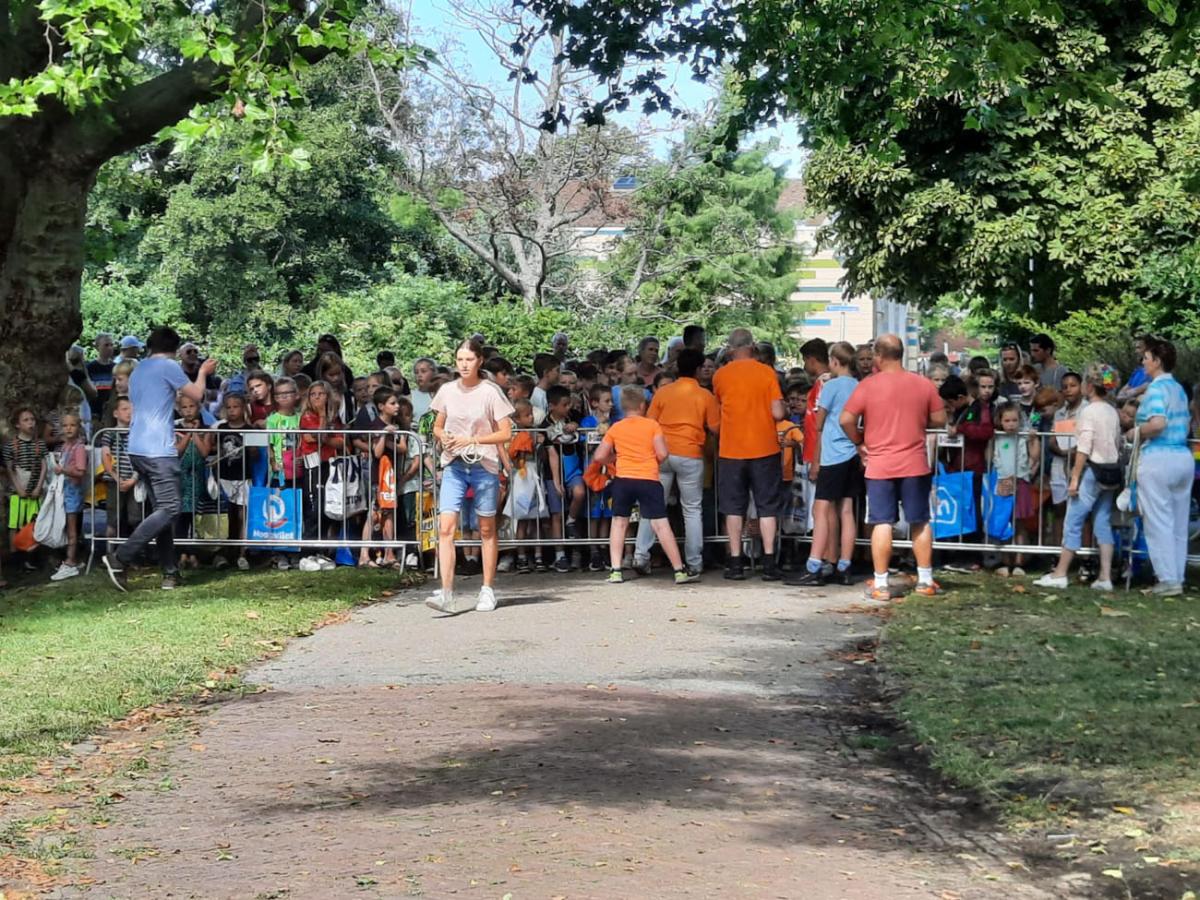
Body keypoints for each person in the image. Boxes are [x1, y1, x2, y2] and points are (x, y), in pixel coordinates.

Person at [102, 326, 217, 592]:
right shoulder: (168, 366)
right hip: (158, 450)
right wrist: (202, 372)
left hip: (137, 448)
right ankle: (120, 557)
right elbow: (197, 395)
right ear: (174, 349)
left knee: (161, 512)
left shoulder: (139, 369)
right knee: (171, 509)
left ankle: (170, 573)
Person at [839, 334, 947, 600]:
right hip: (915, 463)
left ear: (878, 355)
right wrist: (917, 421)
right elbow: (939, 419)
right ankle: (925, 580)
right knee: (920, 521)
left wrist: (859, 442)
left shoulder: (868, 385)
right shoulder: (922, 384)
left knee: (882, 522)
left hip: (879, 465)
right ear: (901, 354)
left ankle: (880, 584)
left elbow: (846, 419)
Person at [426, 339, 515, 616]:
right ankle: (447, 591)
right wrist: (444, 436)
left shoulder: (490, 392)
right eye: (460, 359)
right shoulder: (447, 390)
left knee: (486, 529)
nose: (464, 365)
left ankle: (487, 588)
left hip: (483, 465)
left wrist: (473, 440)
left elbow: (505, 432)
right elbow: (437, 426)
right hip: (454, 464)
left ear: (479, 361)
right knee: (446, 527)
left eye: (469, 359)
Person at [593, 385, 694, 585]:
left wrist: (614, 459)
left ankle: (616, 570)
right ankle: (679, 570)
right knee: (660, 525)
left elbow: (599, 456)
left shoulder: (616, 427)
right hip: (648, 478)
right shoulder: (652, 425)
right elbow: (663, 453)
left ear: (623, 406)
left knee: (619, 523)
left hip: (623, 479)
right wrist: (652, 461)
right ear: (642, 405)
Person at [1035, 364, 1122, 591]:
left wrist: (1074, 478)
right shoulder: (1112, 411)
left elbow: (1084, 447)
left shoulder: (1089, 412)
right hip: (1111, 472)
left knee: (1073, 520)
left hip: (1093, 471)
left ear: (1089, 386)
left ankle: (1060, 573)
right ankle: (1105, 576)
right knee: (1102, 521)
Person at [633, 349, 719, 579]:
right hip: (691, 454)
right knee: (692, 509)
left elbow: (649, 423)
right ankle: (694, 562)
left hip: (662, 453)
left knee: (652, 506)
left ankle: (641, 555)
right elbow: (716, 427)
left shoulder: (663, 392)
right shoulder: (705, 396)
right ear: (699, 370)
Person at [712, 328, 786, 581]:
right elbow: (777, 413)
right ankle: (769, 562)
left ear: (730, 349)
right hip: (765, 447)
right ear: (752, 346)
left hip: (731, 449)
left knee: (733, 507)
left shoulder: (720, 375)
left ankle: (735, 562)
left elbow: (718, 409)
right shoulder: (767, 373)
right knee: (767, 507)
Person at [786, 341, 862, 586]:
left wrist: (816, 460)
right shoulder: (858, 386)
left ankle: (814, 564)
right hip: (851, 453)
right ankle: (844, 565)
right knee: (847, 510)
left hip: (832, 454)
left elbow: (818, 424)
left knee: (820, 509)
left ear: (835, 361)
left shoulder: (830, 386)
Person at [1129, 338, 1192, 596]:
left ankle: (1167, 579)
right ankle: (1177, 576)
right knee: (1178, 522)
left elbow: (1157, 424)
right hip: (1182, 456)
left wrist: (1134, 432)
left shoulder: (1156, 389)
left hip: (1159, 457)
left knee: (1158, 521)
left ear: (1156, 361)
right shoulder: (1178, 389)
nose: (1143, 362)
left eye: (1146, 358)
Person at [47, 413, 88, 582]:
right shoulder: (64, 446)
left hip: (73, 493)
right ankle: (71, 558)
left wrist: (63, 470)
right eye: (65, 426)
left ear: (78, 427)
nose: (68, 428)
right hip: (64, 491)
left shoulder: (79, 448)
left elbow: (80, 471)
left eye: (72, 425)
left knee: (72, 529)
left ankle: (70, 561)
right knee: (66, 527)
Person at [86, 333, 117, 418]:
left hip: (111, 412)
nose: (110, 348)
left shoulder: (116, 367)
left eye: (111, 345)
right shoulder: (90, 368)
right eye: (106, 345)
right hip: (94, 412)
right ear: (97, 347)